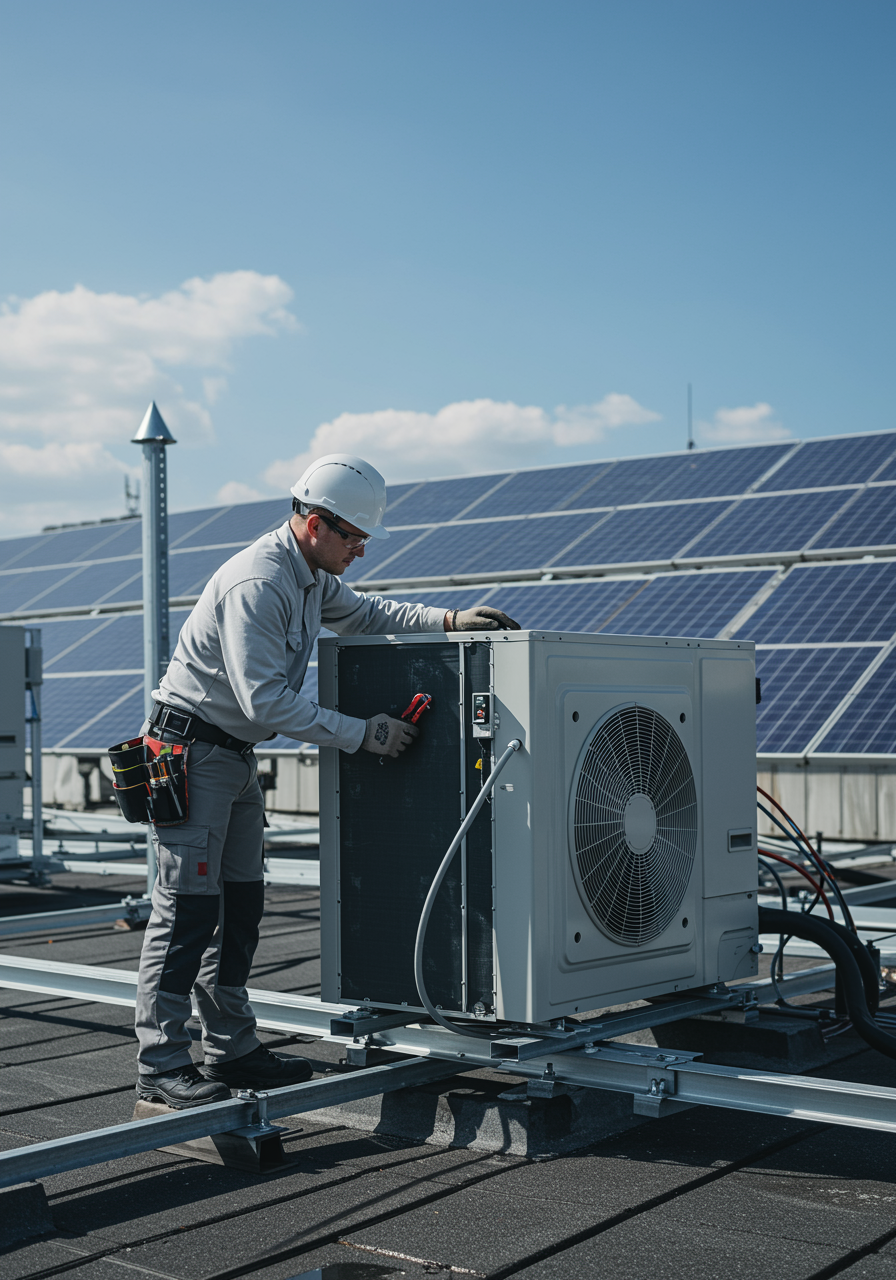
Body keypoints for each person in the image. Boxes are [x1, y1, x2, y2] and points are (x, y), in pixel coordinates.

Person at [134, 453, 520, 1108]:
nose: (361, 551)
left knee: (241, 908)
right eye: (353, 537)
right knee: (188, 914)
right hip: (192, 755)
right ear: (315, 524)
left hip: (230, 757)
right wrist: (365, 733)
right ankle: (161, 1063)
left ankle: (230, 1049)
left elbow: (370, 616)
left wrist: (450, 622)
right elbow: (266, 703)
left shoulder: (307, 576)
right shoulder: (258, 584)